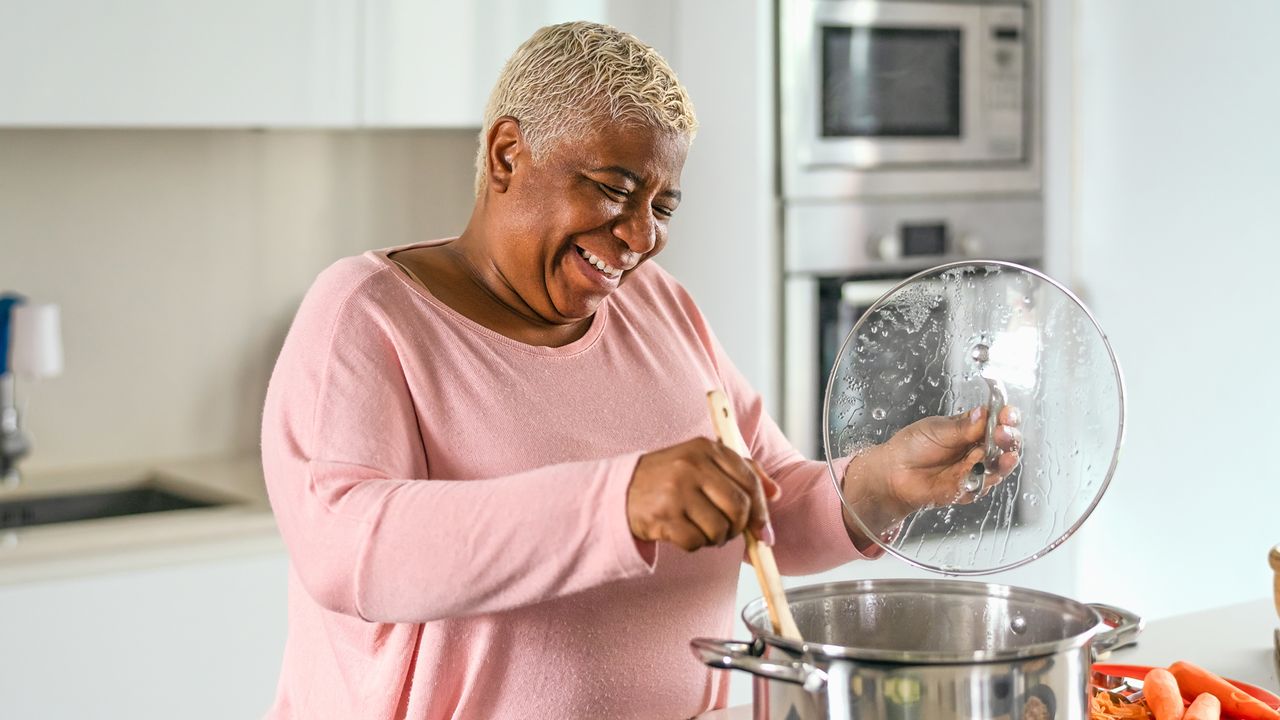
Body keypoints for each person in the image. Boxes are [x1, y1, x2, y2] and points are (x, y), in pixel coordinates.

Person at [260, 21, 1020, 720]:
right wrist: (617, 502)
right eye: (615, 189)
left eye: (663, 206)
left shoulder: (658, 306)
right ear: (505, 155)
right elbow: (350, 550)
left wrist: (881, 483)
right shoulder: (368, 314)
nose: (640, 236)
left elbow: (763, 509)